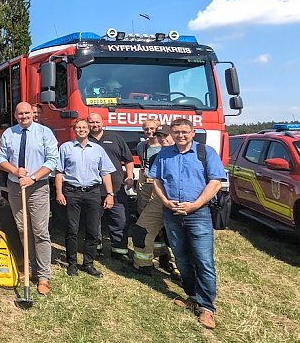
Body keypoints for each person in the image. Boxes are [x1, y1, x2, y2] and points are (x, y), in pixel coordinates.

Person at [149, 118, 225, 330]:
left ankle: (207, 308)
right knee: (181, 257)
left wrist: (195, 205)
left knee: (203, 260)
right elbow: (156, 180)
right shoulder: (164, 154)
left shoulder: (205, 152)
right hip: (172, 214)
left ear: (192, 133)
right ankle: (192, 296)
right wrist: (165, 201)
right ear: (171, 134)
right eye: (176, 132)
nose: (180, 135)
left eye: (184, 132)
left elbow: (216, 181)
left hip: (198, 214)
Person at [0, 102, 58, 295]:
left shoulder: (44, 133)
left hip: (38, 186)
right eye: (20, 113)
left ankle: (43, 275)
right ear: (16, 115)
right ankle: (29, 268)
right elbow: (0, 158)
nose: (24, 116)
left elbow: (52, 161)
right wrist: (15, 170)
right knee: (23, 229)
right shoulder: (9, 134)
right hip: (15, 186)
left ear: (33, 114)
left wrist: (32, 178)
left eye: (27, 113)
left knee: (40, 231)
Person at [55, 118, 115, 278]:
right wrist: (59, 192)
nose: (81, 130)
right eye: (78, 127)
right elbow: (59, 172)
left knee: (93, 230)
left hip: (93, 193)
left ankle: (88, 263)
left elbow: (106, 173)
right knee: (72, 230)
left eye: (84, 127)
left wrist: (110, 194)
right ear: (74, 130)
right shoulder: (65, 148)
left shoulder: (98, 149)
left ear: (89, 130)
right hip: (71, 192)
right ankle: (72, 263)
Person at [130, 125, 179, 279]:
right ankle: (143, 266)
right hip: (160, 199)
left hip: (183, 202)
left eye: (166, 136)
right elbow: (155, 179)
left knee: (177, 236)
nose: (162, 139)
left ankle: (178, 267)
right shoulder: (158, 156)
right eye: (160, 136)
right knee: (141, 229)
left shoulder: (192, 154)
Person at [87, 113, 134, 261]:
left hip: (116, 188)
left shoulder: (115, 138)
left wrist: (130, 176)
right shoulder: (84, 139)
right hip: (93, 188)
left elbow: (128, 159)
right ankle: (96, 249)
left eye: (97, 122)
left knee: (120, 220)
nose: (95, 125)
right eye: (92, 122)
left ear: (102, 123)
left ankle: (119, 251)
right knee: (93, 221)